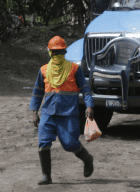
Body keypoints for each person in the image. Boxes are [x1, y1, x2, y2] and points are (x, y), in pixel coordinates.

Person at [29, 36, 96, 185]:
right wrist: (34, 112)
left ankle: (87, 159)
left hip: (68, 113)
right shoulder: (44, 70)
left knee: (70, 144)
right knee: (43, 142)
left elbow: (85, 90)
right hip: (48, 113)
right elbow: (37, 92)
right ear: (50, 53)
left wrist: (89, 105)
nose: (57, 55)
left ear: (65, 52)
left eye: (60, 52)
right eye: (54, 52)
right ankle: (47, 176)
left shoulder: (74, 69)